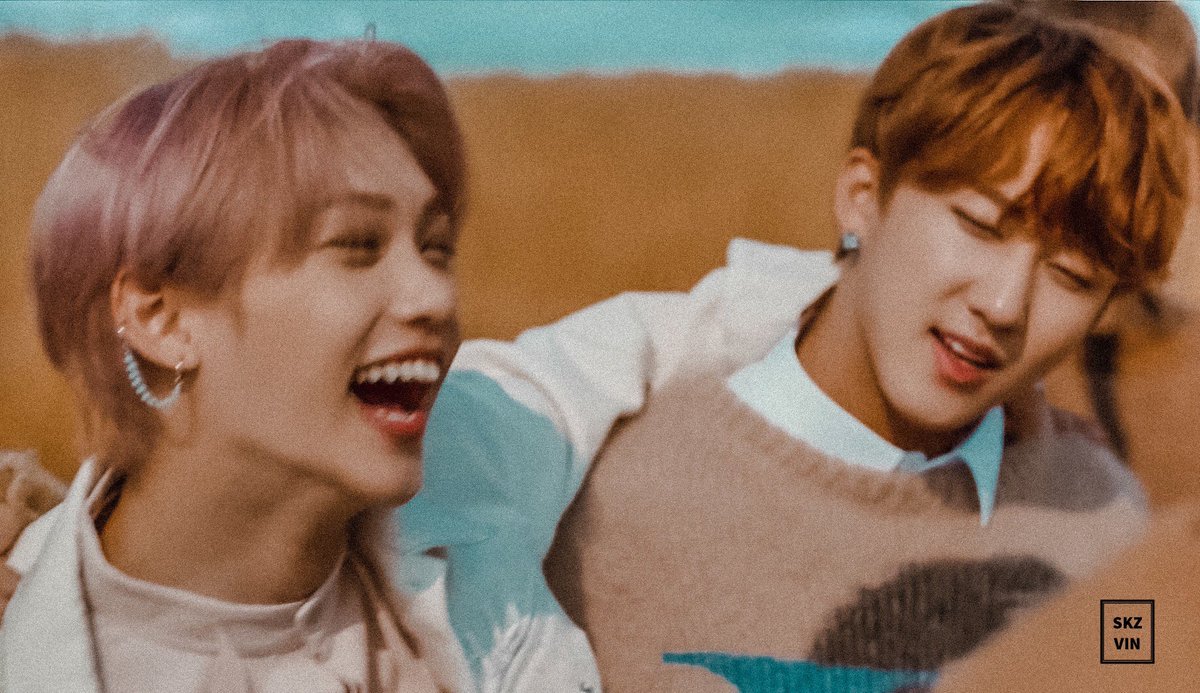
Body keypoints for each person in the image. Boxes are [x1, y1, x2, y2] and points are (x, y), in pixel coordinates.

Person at [401, 3, 1191, 691]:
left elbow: (1143, 667)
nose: (1006, 304)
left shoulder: (1104, 517)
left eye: (1072, 276)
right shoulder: (611, 506)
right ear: (862, 197)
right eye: (979, 225)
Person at [0, 38, 600, 692]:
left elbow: (638, 345)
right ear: (162, 319)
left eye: (435, 248)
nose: (436, 297)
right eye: (357, 245)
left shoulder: (469, 450)